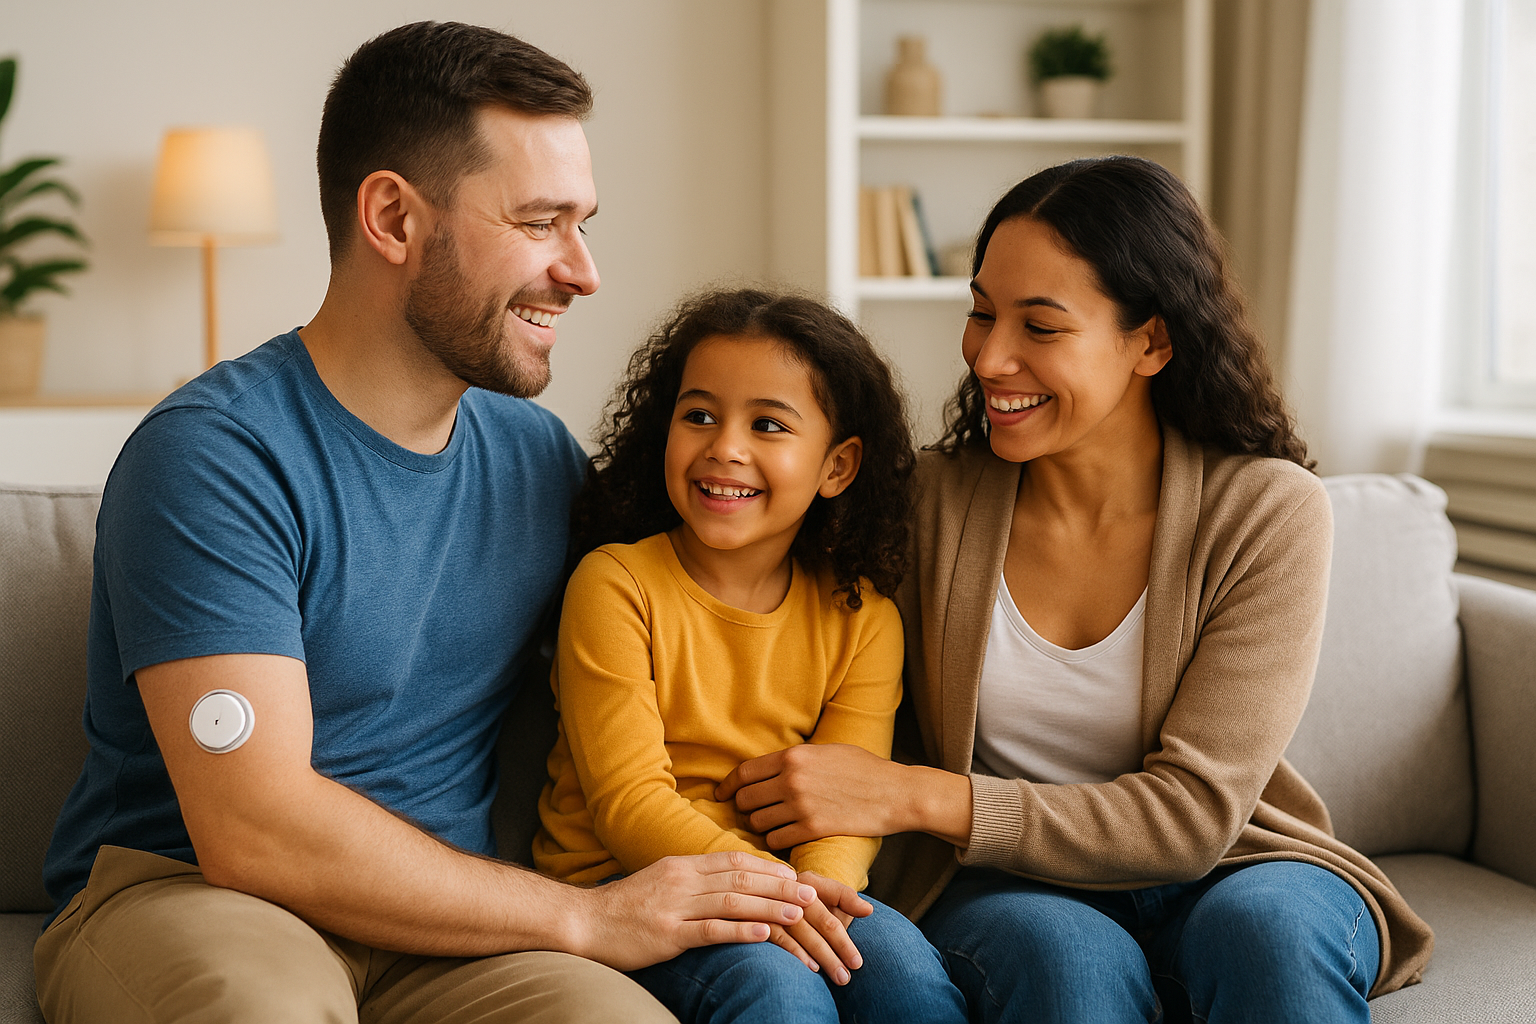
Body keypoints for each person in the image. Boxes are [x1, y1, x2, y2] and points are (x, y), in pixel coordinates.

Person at [35, 23, 817, 1024]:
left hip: (450, 924)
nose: (583, 271)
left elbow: (711, 594)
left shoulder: (537, 459)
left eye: (583, 223)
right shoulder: (215, 455)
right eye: (542, 222)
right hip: (196, 893)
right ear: (395, 219)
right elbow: (255, 829)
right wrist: (585, 919)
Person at [716, 156, 1435, 1022]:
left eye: (1041, 327)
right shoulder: (925, 502)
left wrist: (910, 793)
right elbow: (756, 573)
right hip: (1014, 883)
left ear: (1153, 342)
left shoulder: (1267, 511)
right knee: (1067, 964)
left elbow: (1193, 817)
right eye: (981, 313)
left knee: (1268, 939)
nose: (991, 356)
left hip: (1240, 864)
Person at [532, 289, 967, 1024]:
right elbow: (629, 807)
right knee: (778, 989)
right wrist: (782, 895)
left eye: (767, 424)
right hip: (630, 884)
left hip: (791, 887)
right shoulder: (616, 584)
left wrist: (814, 892)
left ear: (837, 466)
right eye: (698, 415)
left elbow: (848, 808)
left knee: (907, 979)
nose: (724, 445)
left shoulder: (862, 618)